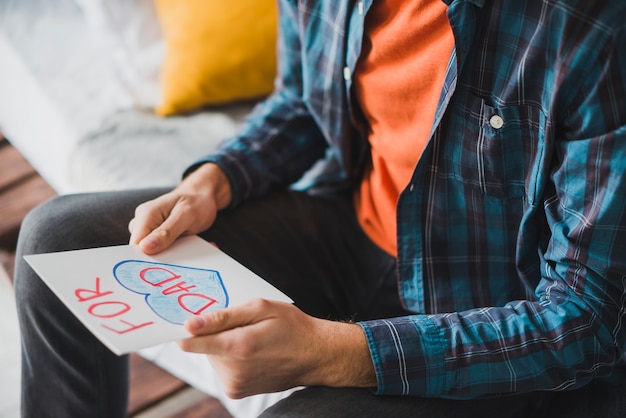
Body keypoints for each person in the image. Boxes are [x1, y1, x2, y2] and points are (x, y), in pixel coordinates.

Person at [14, 0, 626, 417]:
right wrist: (215, 178)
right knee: (62, 235)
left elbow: (588, 316)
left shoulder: (592, 33)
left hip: (495, 318)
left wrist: (331, 352)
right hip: (351, 231)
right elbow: (303, 102)